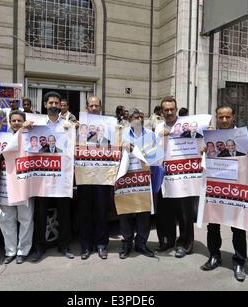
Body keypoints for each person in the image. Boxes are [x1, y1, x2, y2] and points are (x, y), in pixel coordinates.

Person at [200, 105, 248, 282]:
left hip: (237, 187)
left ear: (233, 117)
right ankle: (214, 256)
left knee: (238, 225)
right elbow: (203, 160)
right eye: (221, 117)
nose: (225, 120)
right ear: (217, 118)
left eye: (228, 117)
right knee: (213, 224)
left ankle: (239, 261)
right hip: (215, 186)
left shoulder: (244, 136)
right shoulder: (210, 138)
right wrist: (203, 151)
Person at [26, 91, 75, 261]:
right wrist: (25, 128)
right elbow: (27, 144)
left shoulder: (69, 125)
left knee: (64, 213)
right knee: (40, 213)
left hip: (62, 177)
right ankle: (39, 246)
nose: (54, 105)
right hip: (42, 178)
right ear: (45, 105)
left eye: (56, 103)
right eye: (51, 103)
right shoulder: (36, 124)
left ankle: (64, 245)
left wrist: (74, 130)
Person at [155, 96, 196, 258]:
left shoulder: (187, 126)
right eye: (166, 110)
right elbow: (152, 150)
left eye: (172, 109)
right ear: (162, 111)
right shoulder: (158, 128)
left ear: (176, 109)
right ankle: (167, 240)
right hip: (163, 175)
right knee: (164, 211)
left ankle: (185, 244)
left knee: (184, 211)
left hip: (183, 174)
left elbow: (198, 142)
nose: (170, 112)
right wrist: (160, 137)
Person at [77, 96, 113, 260]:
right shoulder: (78, 125)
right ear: (87, 107)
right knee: (84, 212)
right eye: (91, 106)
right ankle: (85, 246)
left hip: (103, 176)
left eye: (96, 105)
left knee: (101, 211)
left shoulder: (110, 125)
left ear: (100, 107)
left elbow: (116, 145)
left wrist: (118, 131)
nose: (93, 108)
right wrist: (71, 128)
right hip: (84, 175)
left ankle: (101, 244)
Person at [0, 110, 35, 264]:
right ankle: (10, 250)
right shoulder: (2, 137)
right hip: (5, 182)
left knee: (25, 218)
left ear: (24, 121)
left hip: (23, 181)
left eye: (19, 120)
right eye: (13, 121)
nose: (16, 123)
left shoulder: (30, 136)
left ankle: (23, 250)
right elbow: (0, 154)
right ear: (9, 122)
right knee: (6, 218)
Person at [119, 108, 155, 259]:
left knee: (143, 212)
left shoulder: (150, 134)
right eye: (135, 116)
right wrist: (122, 146)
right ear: (130, 119)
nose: (139, 119)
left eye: (141, 116)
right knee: (125, 211)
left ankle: (141, 243)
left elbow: (155, 155)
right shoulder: (122, 133)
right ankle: (127, 242)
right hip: (125, 178)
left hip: (143, 178)